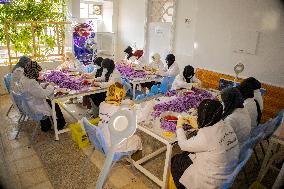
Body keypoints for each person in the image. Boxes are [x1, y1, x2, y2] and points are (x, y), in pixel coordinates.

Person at [171, 99, 239, 189]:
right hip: (227, 174)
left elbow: (183, 145)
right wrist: (198, 127)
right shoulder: (227, 125)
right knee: (187, 155)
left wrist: (179, 126)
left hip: (210, 181)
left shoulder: (207, 135)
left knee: (176, 160)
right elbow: (211, 139)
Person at [18, 61, 66, 132]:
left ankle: (48, 124)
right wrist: (51, 86)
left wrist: (45, 85)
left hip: (28, 104)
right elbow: (43, 94)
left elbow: (35, 89)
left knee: (50, 102)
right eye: (37, 72)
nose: (39, 73)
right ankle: (60, 124)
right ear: (33, 72)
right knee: (54, 103)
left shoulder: (24, 78)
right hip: (35, 107)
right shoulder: (31, 82)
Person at [98, 82, 142, 152]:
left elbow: (115, 103)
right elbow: (139, 118)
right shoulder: (122, 111)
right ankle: (134, 160)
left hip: (102, 140)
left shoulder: (102, 104)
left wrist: (126, 102)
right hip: (114, 147)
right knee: (137, 139)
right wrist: (136, 107)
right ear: (122, 95)